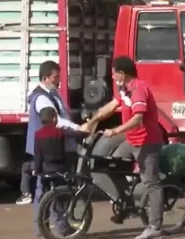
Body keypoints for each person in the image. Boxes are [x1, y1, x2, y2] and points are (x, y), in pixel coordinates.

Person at [86, 56, 165, 239]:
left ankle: (155, 227)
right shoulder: (124, 89)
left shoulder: (139, 89)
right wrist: (93, 121)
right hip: (132, 140)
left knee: (152, 184)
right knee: (111, 165)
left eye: (114, 74)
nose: (112, 77)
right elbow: (112, 106)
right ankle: (128, 203)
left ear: (122, 74)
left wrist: (115, 131)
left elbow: (137, 119)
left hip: (147, 141)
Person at [19, 60, 80, 205]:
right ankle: (49, 223)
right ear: (45, 78)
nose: (59, 81)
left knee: (50, 191)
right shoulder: (41, 98)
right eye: (55, 77)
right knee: (48, 191)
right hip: (48, 150)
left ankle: (51, 222)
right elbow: (57, 120)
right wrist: (78, 129)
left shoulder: (52, 93)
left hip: (51, 148)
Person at [32, 107, 90, 237]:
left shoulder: (38, 134)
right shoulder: (60, 132)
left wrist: (37, 169)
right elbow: (79, 134)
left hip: (46, 171)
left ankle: (43, 227)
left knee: (44, 200)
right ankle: (62, 228)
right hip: (60, 170)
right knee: (61, 200)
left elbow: (38, 155)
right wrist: (87, 130)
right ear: (54, 119)